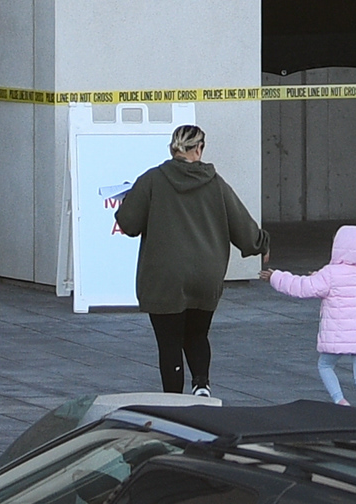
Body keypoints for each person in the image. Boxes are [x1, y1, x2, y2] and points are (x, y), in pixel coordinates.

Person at [108, 124, 264, 397]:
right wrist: (261, 244)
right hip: (206, 275)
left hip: (164, 277)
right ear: (199, 149)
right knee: (197, 333)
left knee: (169, 342)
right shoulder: (216, 184)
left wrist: (127, 203)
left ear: (173, 148)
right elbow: (244, 229)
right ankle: (201, 384)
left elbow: (129, 224)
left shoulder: (153, 180)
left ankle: (173, 399)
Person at [265, 224, 356, 408]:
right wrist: (320, 275)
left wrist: (275, 277)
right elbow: (342, 283)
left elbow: (303, 287)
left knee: (325, 365)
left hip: (338, 334)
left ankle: (339, 400)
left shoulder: (330, 273)